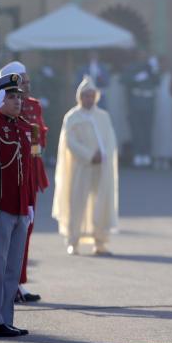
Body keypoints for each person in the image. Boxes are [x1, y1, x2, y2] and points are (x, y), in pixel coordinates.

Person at [0, 73, 34, 338]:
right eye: (11, 97)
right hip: (0, 204)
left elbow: (29, 169)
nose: (17, 102)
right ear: (1, 99)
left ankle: (6, 319)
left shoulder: (24, 127)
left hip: (21, 206)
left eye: (19, 97)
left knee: (13, 265)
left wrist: (30, 203)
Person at [52, 76, 118, 256]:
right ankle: (73, 241)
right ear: (79, 97)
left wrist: (103, 155)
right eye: (85, 95)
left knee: (101, 202)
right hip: (81, 167)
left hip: (101, 167)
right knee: (77, 202)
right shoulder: (72, 117)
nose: (88, 99)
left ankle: (100, 241)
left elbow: (110, 140)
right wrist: (89, 155)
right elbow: (70, 143)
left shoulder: (103, 116)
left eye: (91, 95)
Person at [0, 61, 48, 304]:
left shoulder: (34, 106)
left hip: (31, 170)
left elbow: (41, 138)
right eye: (22, 82)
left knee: (26, 229)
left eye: (28, 82)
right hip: (13, 172)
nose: (26, 88)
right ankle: (6, 282)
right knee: (8, 230)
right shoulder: (3, 112)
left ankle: (18, 280)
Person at [122, 48, 160, 167]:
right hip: (136, 101)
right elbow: (124, 80)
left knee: (147, 129)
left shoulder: (150, 68)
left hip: (148, 101)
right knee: (136, 129)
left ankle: (146, 155)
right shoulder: (132, 67)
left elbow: (157, 81)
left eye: (145, 55)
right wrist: (136, 79)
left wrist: (154, 69)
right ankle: (138, 154)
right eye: (141, 54)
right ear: (137, 55)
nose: (143, 57)